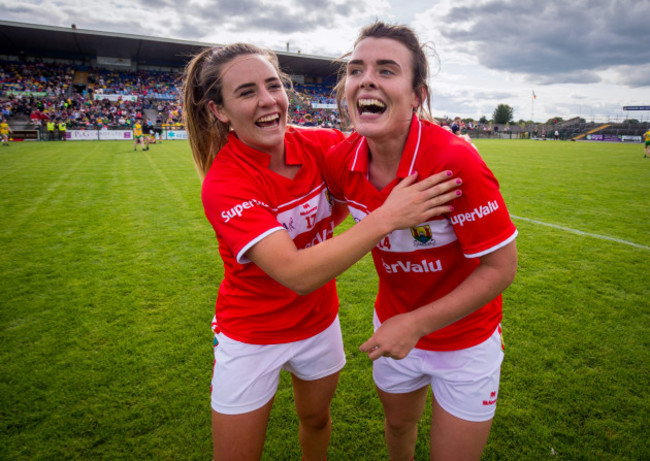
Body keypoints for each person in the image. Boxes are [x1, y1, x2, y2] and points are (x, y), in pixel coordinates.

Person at [181, 43, 462, 461]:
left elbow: (388, 147)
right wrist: (385, 218)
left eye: (273, 85)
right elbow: (295, 274)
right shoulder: (225, 182)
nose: (266, 100)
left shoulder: (321, 145)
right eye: (245, 92)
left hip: (318, 322)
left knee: (315, 420)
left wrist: (457, 146)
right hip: (251, 333)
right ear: (219, 111)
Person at [325, 22, 518, 461]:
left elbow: (501, 267)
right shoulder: (340, 160)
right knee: (398, 426)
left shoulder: (454, 161)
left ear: (417, 96)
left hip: (466, 340)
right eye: (356, 69)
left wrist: (416, 324)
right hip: (392, 326)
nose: (367, 78)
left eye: (387, 70)